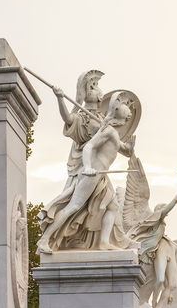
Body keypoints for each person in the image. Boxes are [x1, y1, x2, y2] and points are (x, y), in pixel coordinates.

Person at [39, 90, 141, 253]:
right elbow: (89, 147)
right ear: (122, 117)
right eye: (127, 115)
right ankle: (44, 240)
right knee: (74, 207)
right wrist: (87, 167)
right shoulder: (108, 131)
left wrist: (130, 148)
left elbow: (125, 151)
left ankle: (103, 242)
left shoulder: (113, 133)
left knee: (113, 206)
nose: (128, 119)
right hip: (92, 175)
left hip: (101, 177)